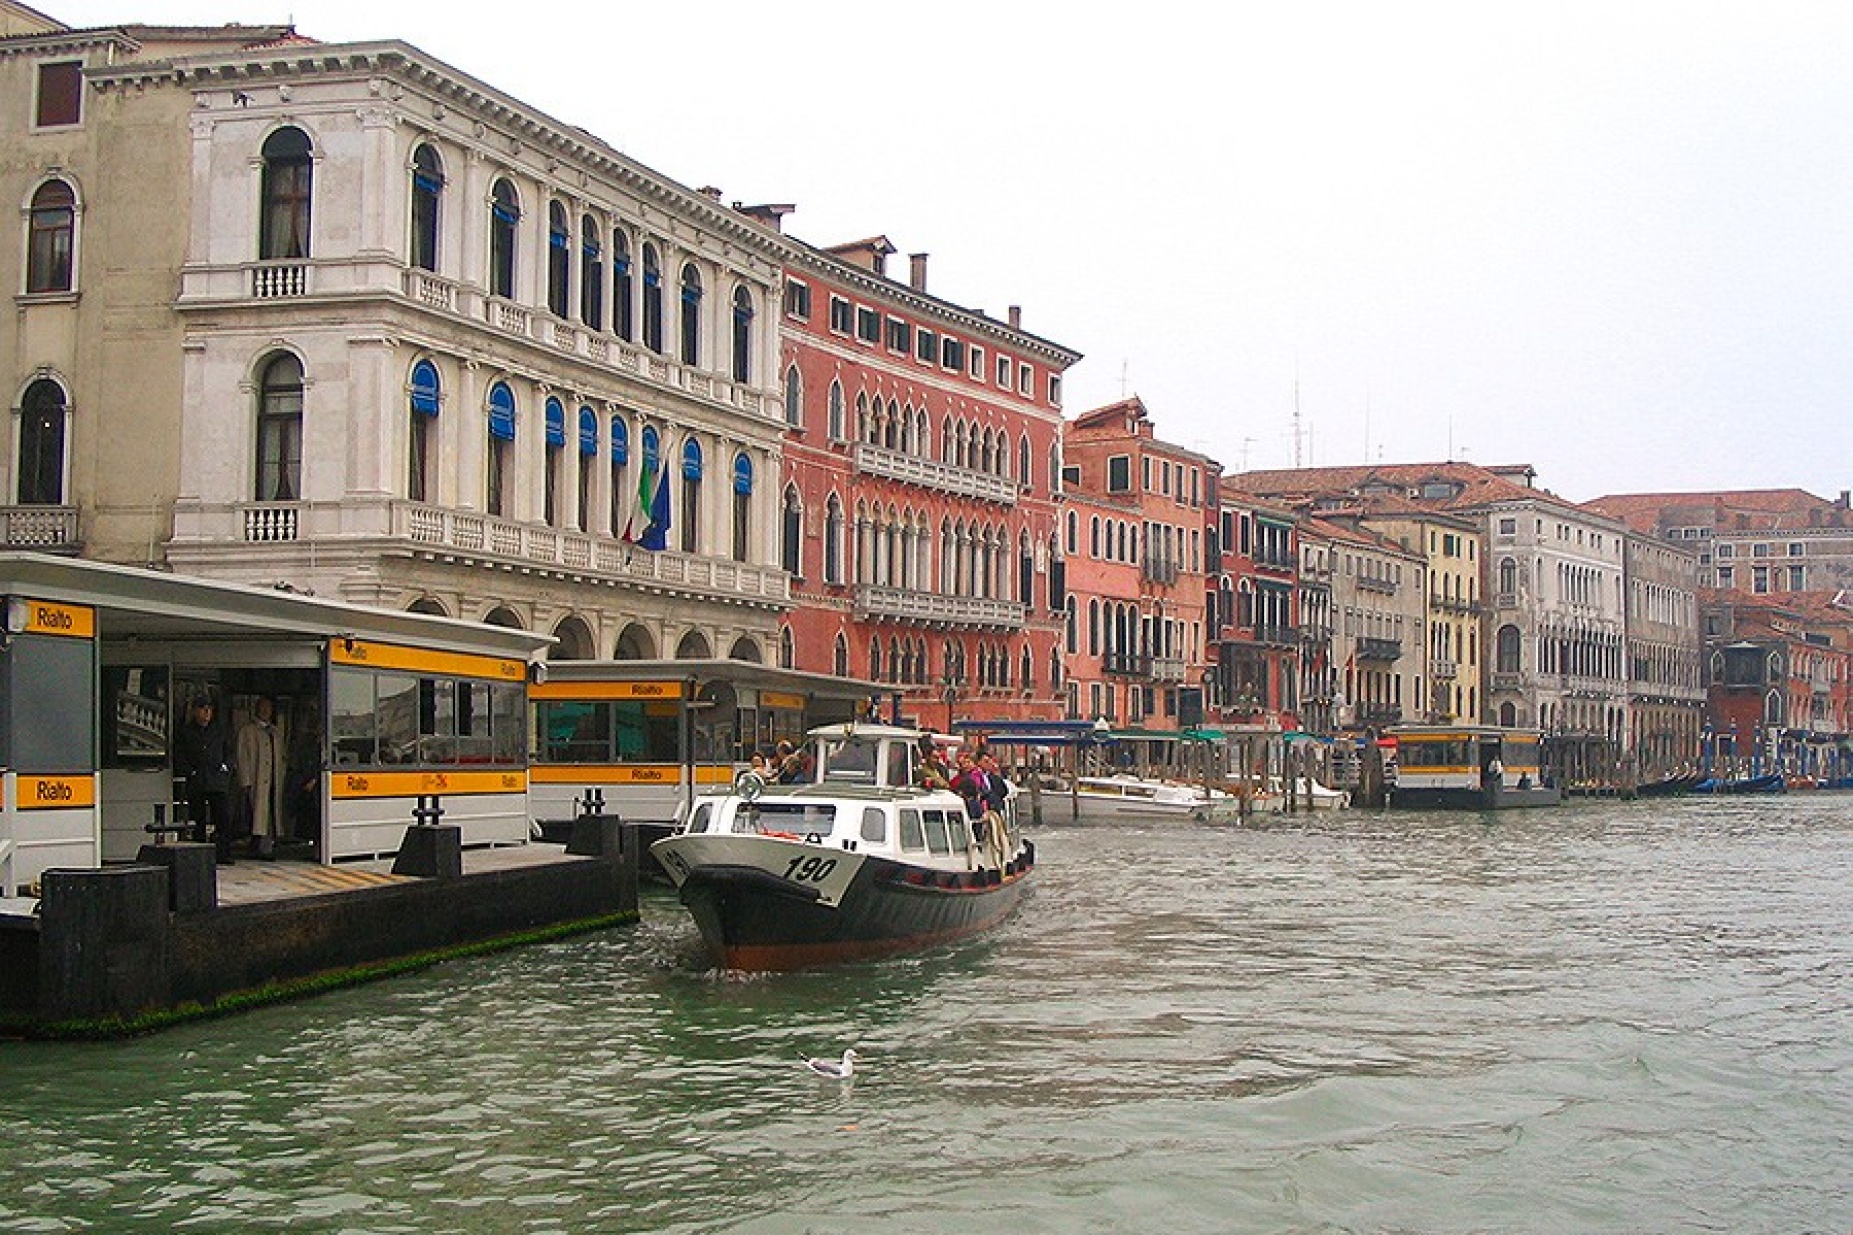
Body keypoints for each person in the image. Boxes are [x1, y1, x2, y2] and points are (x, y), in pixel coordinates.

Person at [173, 694, 235, 864]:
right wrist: (190, 772)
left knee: (223, 818)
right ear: (195, 711)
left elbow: (230, 752)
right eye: (202, 709)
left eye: (209, 709)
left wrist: (225, 768)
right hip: (197, 780)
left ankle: (223, 853)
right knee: (197, 819)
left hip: (217, 780)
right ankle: (199, 855)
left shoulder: (219, 730)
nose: (207, 712)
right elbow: (179, 755)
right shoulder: (186, 732)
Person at [237, 696, 285, 859]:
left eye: (268, 708)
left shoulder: (276, 732)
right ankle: (259, 847)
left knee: (269, 814)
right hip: (256, 780)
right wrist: (245, 780)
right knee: (256, 814)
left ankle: (265, 846)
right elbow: (242, 756)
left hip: (273, 781)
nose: (265, 711)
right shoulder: (247, 731)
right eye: (262, 707)